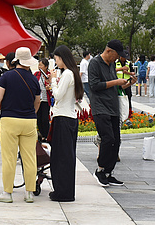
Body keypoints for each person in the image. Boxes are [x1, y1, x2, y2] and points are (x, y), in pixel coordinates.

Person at [0, 46, 41, 203]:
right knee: (30, 158)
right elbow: (37, 102)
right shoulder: (34, 79)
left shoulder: (7, 77)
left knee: (9, 158)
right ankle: (29, 193)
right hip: (29, 122)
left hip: (9, 120)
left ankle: (8, 193)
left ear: (16, 60)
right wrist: (30, 113)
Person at [89, 39, 131, 187]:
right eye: (116, 55)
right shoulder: (94, 63)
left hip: (113, 107)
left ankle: (108, 172)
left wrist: (127, 83)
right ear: (108, 51)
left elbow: (114, 84)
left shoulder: (112, 64)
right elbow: (94, 86)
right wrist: (116, 82)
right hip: (100, 107)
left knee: (116, 140)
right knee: (107, 139)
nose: (117, 58)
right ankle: (100, 170)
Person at [49, 45, 84, 202]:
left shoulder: (68, 74)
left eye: (56, 58)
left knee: (62, 157)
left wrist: (53, 82)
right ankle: (64, 190)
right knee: (65, 156)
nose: (55, 62)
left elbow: (57, 95)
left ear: (61, 58)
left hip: (63, 118)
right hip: (68, 118)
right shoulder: (71, 73)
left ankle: (63, 192)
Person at [34, 58, 52, 141]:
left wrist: (48, 80)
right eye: (39, 65)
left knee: (45, 118)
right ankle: (41, 135)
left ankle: (46, 135)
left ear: (46, 66)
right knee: (38, 118)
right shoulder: (36, 74)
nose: (39, 66)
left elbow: (51, 85)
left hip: (45, 99)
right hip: (38, 100)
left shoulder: (49, 75)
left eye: (41, 65)